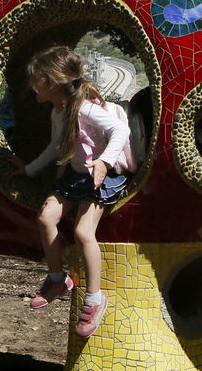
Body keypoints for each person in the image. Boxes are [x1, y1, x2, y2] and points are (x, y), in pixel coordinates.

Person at [8, 46, 130, 339]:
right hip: (77, 175)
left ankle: (95, 299)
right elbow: (56, 146)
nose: (32, 85)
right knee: (45, 217)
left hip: (100, 176)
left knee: (83, 232)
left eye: (36, 79)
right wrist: (31, 169)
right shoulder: (57, 110)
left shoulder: (84, 107)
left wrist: (104, 161)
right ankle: (57, 278)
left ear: (52, 83)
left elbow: (120, 131)